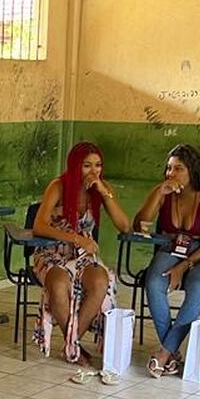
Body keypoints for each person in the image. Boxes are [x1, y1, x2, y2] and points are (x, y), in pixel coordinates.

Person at [30, 141, 129, 364]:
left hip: (84, 254)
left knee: (100, 282)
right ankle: (75, 348)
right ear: (75, 166)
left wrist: (105, 194)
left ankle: (71, 344)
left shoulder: (102, 189)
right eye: (87, 166)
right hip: (52, 249)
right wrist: (76, 238)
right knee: (57, 283)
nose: (94, 171)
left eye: (98, 165)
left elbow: (124, 226)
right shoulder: (58, 186)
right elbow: (40, 226)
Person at [132, 145, 200, 376]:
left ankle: (164, 351)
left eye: (178, 169)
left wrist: (182, 267)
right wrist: (158, 193)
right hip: (173, 247)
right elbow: (140, 224)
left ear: (192, 171)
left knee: (198, 286)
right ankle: (171, 352)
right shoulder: (165, 194)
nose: (171, 174)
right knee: (154, 282)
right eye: (168, 168)